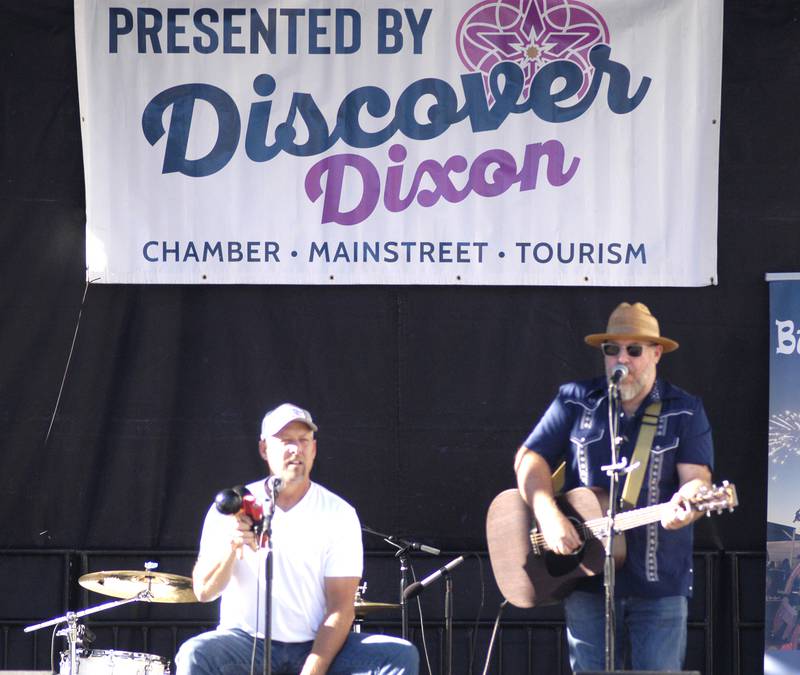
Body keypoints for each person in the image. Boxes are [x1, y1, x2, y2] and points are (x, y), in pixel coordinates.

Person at [513, 302, 714, 672]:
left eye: (634, 350)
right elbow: (529, 459)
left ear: (656, 353)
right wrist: (548, 515)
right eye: (612, 350)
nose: (622, 358)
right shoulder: (575, 400)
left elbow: (697, 481)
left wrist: (689, 504)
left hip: (658, 585)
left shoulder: (683, 410)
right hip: (587, 582)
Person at [176, 403, 419, 675]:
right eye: (286, 441)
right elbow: (204, 591)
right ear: (264, 449)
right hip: (246, 642)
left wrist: (313, 668)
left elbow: (341, 607)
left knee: (399, 655)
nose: (296, 449)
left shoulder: (338, 512)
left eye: (303, 441)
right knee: (195, 653)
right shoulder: (236, 504)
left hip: (314, 644)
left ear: (314, 449)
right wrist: (232, 547)